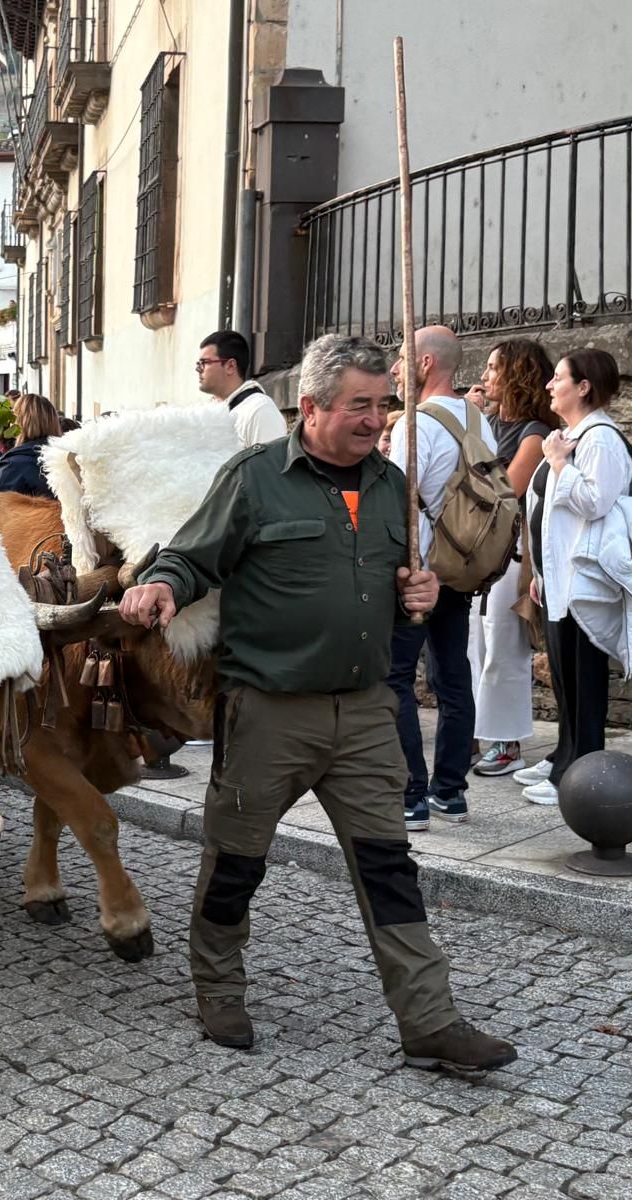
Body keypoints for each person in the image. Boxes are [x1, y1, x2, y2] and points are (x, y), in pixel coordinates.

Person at [117, 332, 516, 1073]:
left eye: (382, 404)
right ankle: (218, 986)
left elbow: (401, 594)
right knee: (237, 861)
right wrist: (163, 586)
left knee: (389, 865)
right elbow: (189, 555)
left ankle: (429, 1019)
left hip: (365, 710)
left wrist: (418, 596)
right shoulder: (255, 477)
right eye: (357, 406)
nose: (374, 419)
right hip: (268, 710)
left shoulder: (395, 484)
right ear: (311, 406)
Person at [386, 326, 498, 829]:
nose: (393, 368)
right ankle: (450, 790)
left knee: (395, 680)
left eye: (401, 357)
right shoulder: (478, 418)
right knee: (454, 677)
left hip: (418, 569)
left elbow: (397, 499)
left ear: (426, 364)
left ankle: (411, 795)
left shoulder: (418, 423)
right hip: (462, 564)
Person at [522, 349, 632, 807]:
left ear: (583, 386)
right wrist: (541, 572)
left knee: (584, 677)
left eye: (558, 378)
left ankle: (582, 769)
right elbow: (547, 512)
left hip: (584, 583)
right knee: (566, 676)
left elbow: (596, 502)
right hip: (560, 578)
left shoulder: (600, 440)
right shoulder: (571, 436)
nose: (549, 385)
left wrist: (559, 463)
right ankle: (564, 755)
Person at [466, 340, 556, 778]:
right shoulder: (484, 424)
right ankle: (473, 732)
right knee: (472, 643)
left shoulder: (535, 432)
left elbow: (507, 490)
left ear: (517, 374)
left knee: (502, 642)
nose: (484, 376)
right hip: (475, 548)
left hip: (512, 548)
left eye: (493, 368)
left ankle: (506, 741)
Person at [196, 330, 287, 447]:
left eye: (205, 362)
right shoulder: (208, 412)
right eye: (198, 364)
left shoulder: (260, 411)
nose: (199, 369)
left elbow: (272, 464)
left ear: (230, 366)